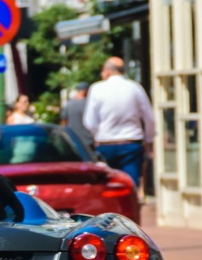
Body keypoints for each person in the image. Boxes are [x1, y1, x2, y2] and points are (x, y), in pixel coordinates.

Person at [83, 57, 155, 189]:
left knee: (107, 188)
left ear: (108, 71)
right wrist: (149, 140)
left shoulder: (97, 88)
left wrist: (97, 134)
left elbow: (90, 121)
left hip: (106, 144)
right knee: (130, 186)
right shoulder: (135, 88)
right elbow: (149, 118)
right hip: (131, 143)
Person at [61, 82, 93, 151]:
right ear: (86, 91)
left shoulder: (69, 104)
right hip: (88, 140)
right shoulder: (89, 104)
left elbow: (63, 121)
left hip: (73, 139)